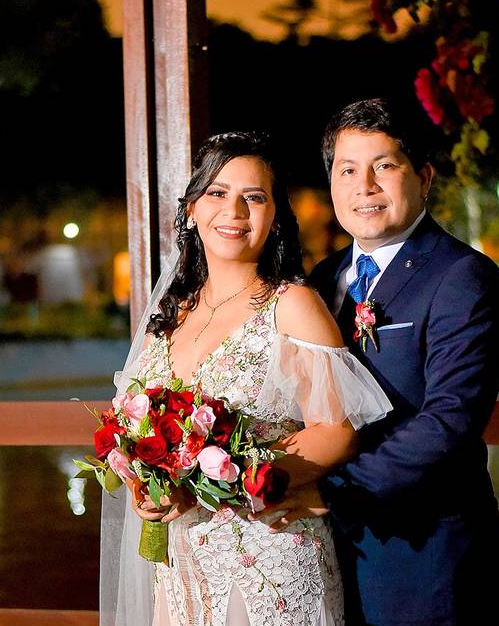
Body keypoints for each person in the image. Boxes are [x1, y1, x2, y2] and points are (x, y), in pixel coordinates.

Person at [100, 131, 392, 626]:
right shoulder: (168, 318)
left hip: (269, 554)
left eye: (253, 198)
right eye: (217, 193)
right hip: (181, 564)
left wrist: (227, 481)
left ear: (274, 217)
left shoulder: (292, 306)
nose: (234, 211)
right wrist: (145, 485)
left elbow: (337, 433)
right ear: (192, 209)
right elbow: (136, 433)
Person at [266, 98, 499, 625]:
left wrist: (332, 491)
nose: (364, 186)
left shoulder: (463, 277)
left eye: (384, 166)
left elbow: (450, 420)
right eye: (347, 169)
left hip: (428, 561)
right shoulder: (319, 280)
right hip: (326, 556)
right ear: (332, 182)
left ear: (424, 177)